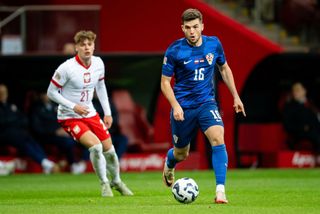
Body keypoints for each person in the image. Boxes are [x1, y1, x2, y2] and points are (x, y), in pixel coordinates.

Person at [161, 8, 246, 204]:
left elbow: (224, 68)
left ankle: (220, 191)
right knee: (182, 153)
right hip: (183, 107)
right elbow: (165, 82)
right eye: (188, 27)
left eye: (195, 27)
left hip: (206, 103)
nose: (192, 31)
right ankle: (170, 161)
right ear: (182, 28)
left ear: (202, 26)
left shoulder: (213, 44)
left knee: (218, 138)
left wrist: (236, 96)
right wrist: (175, 106)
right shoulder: (174, 50)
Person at [47, 30, 133, 197]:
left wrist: (107, 113)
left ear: (93, 47)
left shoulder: (99, 63)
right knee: (95, 147)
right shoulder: (66, 68)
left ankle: (116, 181)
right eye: (82, 44)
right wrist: (73, 106)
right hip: (69, 116)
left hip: (90, 113)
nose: (86, 47)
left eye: (89, 44)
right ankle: (105, 185)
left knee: (110, 150)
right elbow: (51, 92)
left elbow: (100, 87)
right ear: (76, 48)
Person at [0, 84, 59, 174]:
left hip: (18, 132)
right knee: (22, 141)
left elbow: (23, 119)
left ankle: (46, 163)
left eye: (4, 93)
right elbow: (3, 122)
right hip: (5, 134)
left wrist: (13, 121)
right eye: (1, 93)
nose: (3, 95)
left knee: (31, 140)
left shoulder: (10, 106)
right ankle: (46, 164)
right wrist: (14, 120)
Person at [29, 92, 88, 174]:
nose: (46, 96)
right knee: (68, 142)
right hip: (47, 136)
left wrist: (66, 129)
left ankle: (83, 162)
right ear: (41, 95)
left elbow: (65, 119)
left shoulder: (56, 106)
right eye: (44, 94)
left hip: (62, 133)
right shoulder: (36, 108)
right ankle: (73, 165)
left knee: (84, 139)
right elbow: (37, 127)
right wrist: (55, 131)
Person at [282, 82, 320, 154]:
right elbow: (287, 125)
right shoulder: (289, 107)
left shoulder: (311, 105)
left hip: (315, 131)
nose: (295, 92)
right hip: (300, 134)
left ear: (304, 91)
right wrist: (303, 128)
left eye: (298, 90)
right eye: (294, 90)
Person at [92, 92, 129, 160]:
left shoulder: (108, 102)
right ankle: (87, 163)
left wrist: (109, 123)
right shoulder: (90, 103)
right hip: (96, 134)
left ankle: (114, 160)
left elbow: (115, 117)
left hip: (111, 132)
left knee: (123, 139)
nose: (97, 92)